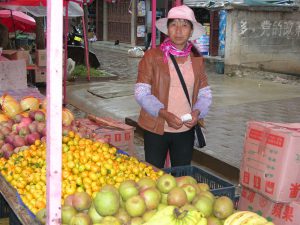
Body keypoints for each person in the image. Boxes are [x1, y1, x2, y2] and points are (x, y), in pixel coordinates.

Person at [134, 5, 212, 169]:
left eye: (184, 25)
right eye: (173, 24)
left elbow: (205, 94)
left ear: (191, 31)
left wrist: (197, 112)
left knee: (181, 178)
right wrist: (164, 113)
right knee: (154, 177)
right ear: (167, 29)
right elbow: (141, 92)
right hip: (156, 128)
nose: (178, 30)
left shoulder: (197, 60)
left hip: (185, 130)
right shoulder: (152, 56)